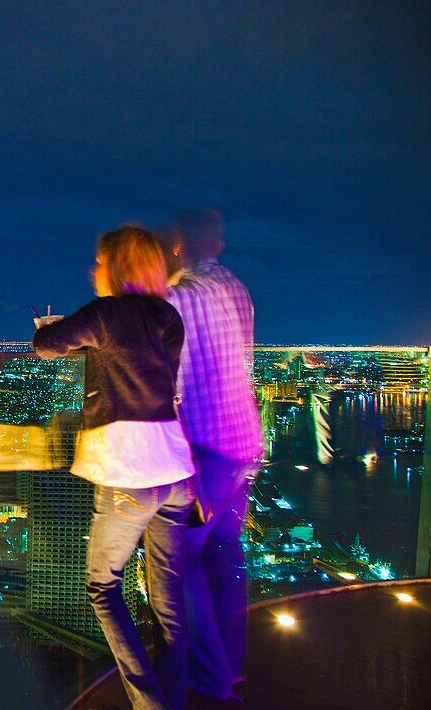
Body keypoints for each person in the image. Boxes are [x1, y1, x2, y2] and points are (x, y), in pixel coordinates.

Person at [33, 224, 195, 710]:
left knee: (103, 589)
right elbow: (138, 362)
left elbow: (47, 345)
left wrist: (49, 329)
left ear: (116, 267)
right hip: (175, 474)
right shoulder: (167, 316)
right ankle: (175, 700)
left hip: (130, 473)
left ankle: (152, 706)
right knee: (168, 604)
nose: (94, 270)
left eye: (100, 263)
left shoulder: (104, 313)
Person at [163, 208, 263, 705]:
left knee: (180, 563)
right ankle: (230, 667)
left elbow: (173, 387)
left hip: (203, 450)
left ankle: (211, 679)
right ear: (217, 245)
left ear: (177, 245)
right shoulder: (239, 290)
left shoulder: (178, 298)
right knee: (228, 560)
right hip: (242, 443)